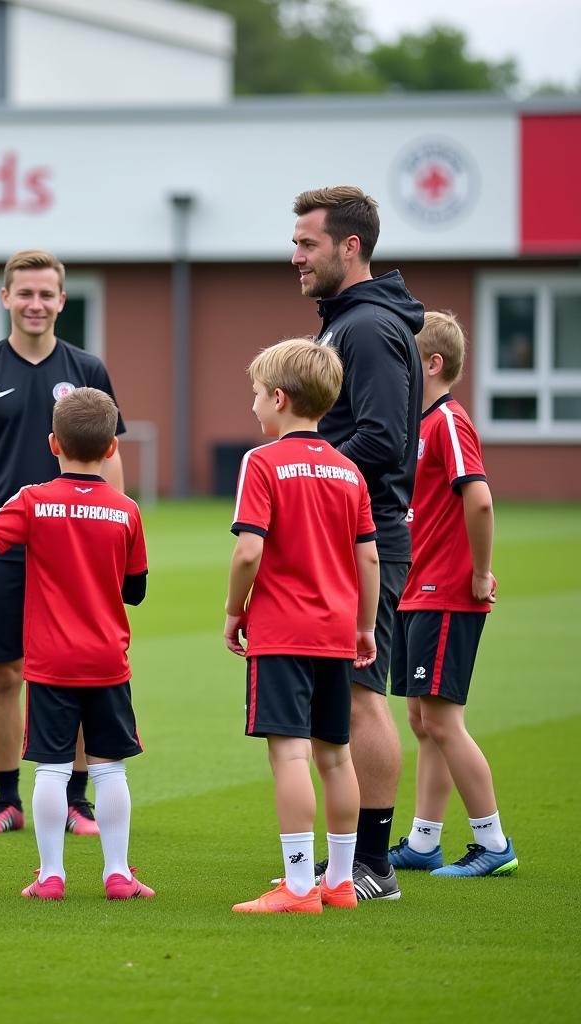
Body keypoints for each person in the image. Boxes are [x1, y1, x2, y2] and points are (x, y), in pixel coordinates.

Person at [0, 249, 126, 836]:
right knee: (4, 673)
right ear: (6, 298)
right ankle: (6, 800)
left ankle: (77, 801)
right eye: (25, 293)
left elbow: (109, 454)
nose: (35, 304)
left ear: (62, 300)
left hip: (74, 548)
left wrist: (115, 531)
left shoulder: (87, 369)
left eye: (46, 294)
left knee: (84, 673)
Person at [0, 387, 152, 900]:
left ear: (53, 443)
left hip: (52, 662)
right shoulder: (126, 510)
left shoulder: (34, 500)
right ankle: (118, 874)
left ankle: (51, 875)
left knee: (52, 769)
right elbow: (136, 591)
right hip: (106, 660)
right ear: (112, 448)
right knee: (109, 768)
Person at [291, 185, 424, 901]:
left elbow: (381, 439)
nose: (295, 256)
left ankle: (374, 863)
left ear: (350, 247)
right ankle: (349, 859)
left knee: (364, 697)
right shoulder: (344, 323)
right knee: (342, 700)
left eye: (308, 243)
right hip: (340, 537)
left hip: (364, 539)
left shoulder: (366, 328)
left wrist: (298, 466)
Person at [226, 338, 380, 913]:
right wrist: (365, 626)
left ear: (281, 398)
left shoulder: (261, 463)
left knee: (290, 756)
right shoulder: (349, 471)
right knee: (336, 756)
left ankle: (295, 887)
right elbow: (369, 557)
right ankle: (340, 882)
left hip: (282, 634)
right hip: (337, 633)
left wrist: (233, 610)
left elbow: (247, 553)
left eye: (257, 395)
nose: (254, 406)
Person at [388, 312, 519, 878]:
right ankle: (423, 842)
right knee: (423, 719)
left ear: (432, 364)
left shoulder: (448, 420)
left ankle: (494, 844)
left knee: (443, 720)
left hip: (445, 591)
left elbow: (481, 498)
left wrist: (480, 572)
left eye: (405, 360)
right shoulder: (416, 425)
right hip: (417, 591)